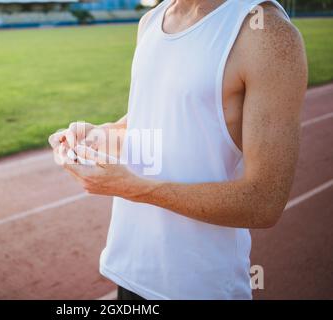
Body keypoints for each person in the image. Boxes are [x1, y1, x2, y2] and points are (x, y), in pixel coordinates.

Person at [49, 0, 307, 299]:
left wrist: (134, 188)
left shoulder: (267, 33)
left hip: (202, 288)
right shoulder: (151, 20)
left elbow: (264, 202)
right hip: (131, 273)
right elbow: (160, 123)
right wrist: (102, 134)